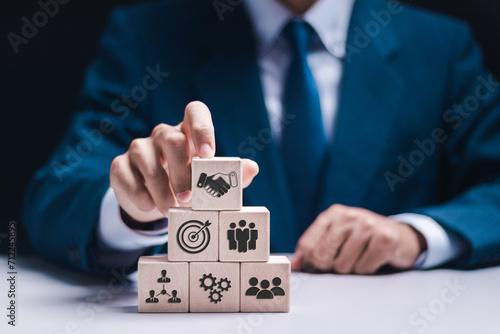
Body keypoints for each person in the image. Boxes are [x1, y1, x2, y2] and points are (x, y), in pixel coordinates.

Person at [23, 0, 500, 275]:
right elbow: (57, 192)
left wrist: (418, 234)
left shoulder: (439, 46)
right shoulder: (147, 35)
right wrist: (133, 210)